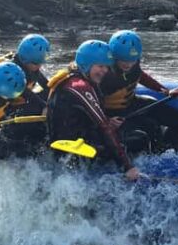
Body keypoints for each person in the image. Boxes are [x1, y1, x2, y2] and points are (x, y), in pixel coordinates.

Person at [47, 40, 140, 180]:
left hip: (74, 141)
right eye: (100, 66)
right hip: (73, 150)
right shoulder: (79, 86)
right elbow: (104, 128)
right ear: (86, 64)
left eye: (107, 67)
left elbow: (93, 119)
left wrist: (108, 121)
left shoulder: (76, 76)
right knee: (139, 138)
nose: (105, 71)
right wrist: (127, 166)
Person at [101, 30, 178, 150]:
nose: (128, 64)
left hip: (131, 104)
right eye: (123, 60)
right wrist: (106, 120)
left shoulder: (134, 63)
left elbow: (141, 76)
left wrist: (166, 91)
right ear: (113, 56)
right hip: (111, 113)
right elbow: (90, 100)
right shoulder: (102, 72)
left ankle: (168, 144)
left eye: (132, 60)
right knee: (146, 131)